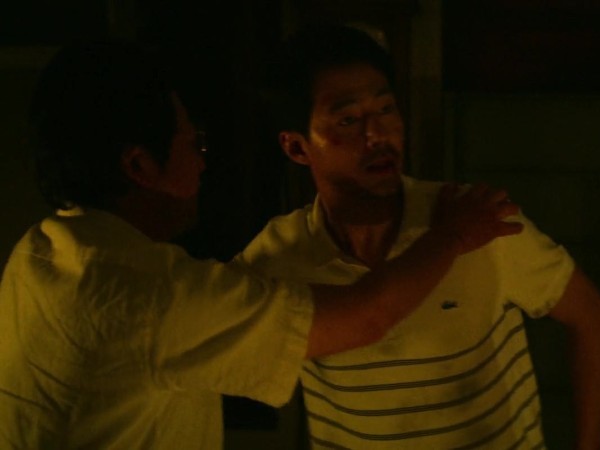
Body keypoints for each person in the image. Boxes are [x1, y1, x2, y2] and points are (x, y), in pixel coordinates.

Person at [0, 40, 522, 449]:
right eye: (193, 144)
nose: (202, 163)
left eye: (386, 109)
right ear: (139, 165)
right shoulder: (163, 294)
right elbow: (368, 316)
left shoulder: (36, 252)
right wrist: (453, 235)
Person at [244, 25, 600, 449]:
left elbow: (591, 316)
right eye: (348, 120)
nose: (378, 135)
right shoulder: (278, 258)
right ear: (296, 147)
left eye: (386, 109)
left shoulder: (478, 221)